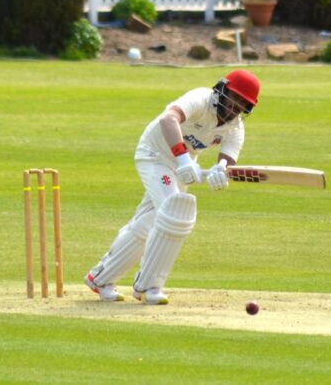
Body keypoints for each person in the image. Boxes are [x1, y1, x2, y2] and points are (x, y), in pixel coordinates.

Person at [85, 70, 260, 305]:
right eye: (234, 99)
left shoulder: (235, 128)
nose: (234, 108)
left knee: (151, 220)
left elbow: (227, 160)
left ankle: (100, 278)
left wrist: (220, 171)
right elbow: (168, 119)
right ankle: (148, 286)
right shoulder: (201, 98)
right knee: (174, 212)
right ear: (222, 90)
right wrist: (184, 160)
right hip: (155, 154)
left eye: (242, 104)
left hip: (181, 166)